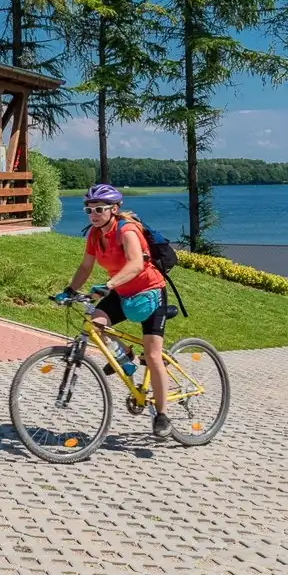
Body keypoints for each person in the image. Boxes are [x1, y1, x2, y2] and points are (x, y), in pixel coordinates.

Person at [63, 183, 173, 437]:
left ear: (113, 209)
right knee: (94, 323)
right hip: (122, 291)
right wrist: (69, 290)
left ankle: (162, 415)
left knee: (153, 355)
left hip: (150, 292)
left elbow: (135, 264)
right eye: (89, 210)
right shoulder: (94, 235)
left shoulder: (127, 230)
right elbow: (85, 267)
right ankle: (125, 355)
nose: (93, 214)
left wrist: (108, 285)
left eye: (99, 209)